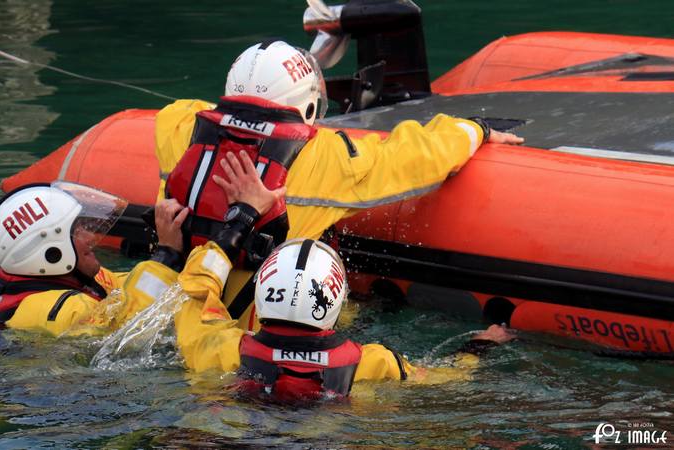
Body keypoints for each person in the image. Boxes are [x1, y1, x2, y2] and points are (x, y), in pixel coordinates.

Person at [155, 40, 524, 330]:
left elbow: (209, 112)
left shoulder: (176, 125)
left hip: (180, 317)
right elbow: (415, 158)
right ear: (308, 104)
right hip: (259, 330)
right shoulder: (327, 156)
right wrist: (475, 128)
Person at [164, 154, 512, 401]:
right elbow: (445, 380)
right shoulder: (375, 363)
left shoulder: (219, 349)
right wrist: (479, 345)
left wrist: (238, 222)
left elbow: (195, 291)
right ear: (333, 299)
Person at [0, 181, 188, 336]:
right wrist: (167, 254)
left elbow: (125, 288)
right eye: (78, 232)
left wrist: (179, 258)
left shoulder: (67, 276)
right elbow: (128, 331)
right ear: (51, 252)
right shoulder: (57, 310)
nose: (91, 237)